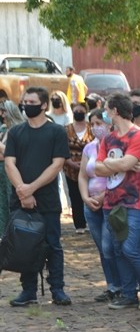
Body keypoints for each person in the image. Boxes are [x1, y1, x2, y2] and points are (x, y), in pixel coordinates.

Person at [4, 87, 71, 306]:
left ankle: (58, 289)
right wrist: (21, 189)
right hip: (20, 200)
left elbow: (57, 164)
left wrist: (31, 188)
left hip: (47, 200)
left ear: (43, 105)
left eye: (31, 101)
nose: (26, 105)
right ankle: (28, 290)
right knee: (25, 245)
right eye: (24, 101)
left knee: (53, 244)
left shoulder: (57, 132)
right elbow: (10, 162)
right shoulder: (16, 132)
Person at [95, 92, 140, 310]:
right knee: (117, 248)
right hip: (111, 200)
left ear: (114, 111)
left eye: (106, 109)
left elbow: (124, 164)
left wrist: (115, 164)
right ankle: (129, 293)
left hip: (134, 199)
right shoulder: (107, 139)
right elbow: (96, 167)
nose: (105, 112)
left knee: (131, 248)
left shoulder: (138, 135)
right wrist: (120, 163)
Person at [78, 108, 120, 303]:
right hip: (91, 203)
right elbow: (82, 175)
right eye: (92, 124)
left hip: (110, 202)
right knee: (102, 249)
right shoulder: (89, 148)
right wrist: (85, 198)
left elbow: (120, 176)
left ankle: (123, 284)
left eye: (99, 124)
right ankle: (112, 286)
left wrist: (104, 196)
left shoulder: (116, 146)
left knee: (109, 245)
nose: (95, 128)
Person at [64, 102, 93, 234]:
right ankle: (79, 224)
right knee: (74, 195)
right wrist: (70, 162)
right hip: (71, 168)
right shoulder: (66, 129)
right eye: (76, 111)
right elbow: (62, 148)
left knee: (89, 194)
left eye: (81, 111)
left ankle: (90, 221)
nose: (78, 113)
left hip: (89, 168)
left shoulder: (91, 128)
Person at [0, 101, 25, 233]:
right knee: (2, 204)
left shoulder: (18, 130)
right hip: (2, 173)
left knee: (12, 202)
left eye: (3, 111)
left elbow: (10, 152)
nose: (2, 115)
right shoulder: (4, 130)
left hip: (12, 172)